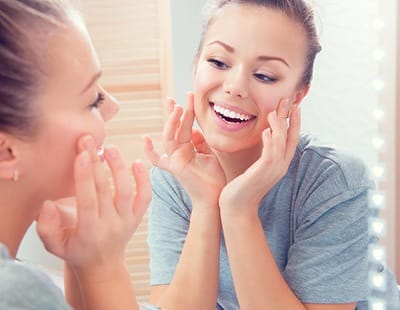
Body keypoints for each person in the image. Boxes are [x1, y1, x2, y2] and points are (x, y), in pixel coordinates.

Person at [144, 0, 400, 309]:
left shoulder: (334, 182)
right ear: (196, 63)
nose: (235, 86)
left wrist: (238, 210)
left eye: (265, 75)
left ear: (297, 96)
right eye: (218, 62)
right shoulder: (175, 177)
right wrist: (204, 203)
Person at [0, 0, 152, 309]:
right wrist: (105, 265)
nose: (113, 107)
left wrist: (86, 258)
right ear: (6, 152)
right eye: (94, 99)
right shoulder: (17, 293)